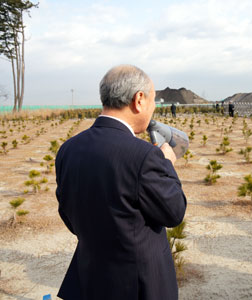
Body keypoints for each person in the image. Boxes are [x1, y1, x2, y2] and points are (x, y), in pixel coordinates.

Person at [55, 65, 187, 300]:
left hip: (89, 278)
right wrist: (167, 163)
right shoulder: (144, 155)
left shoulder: (68, 149)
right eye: (153, 100)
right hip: (137, 285)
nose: (153, 107)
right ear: (139, 100)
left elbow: (68, 214)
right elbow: (174, 212)